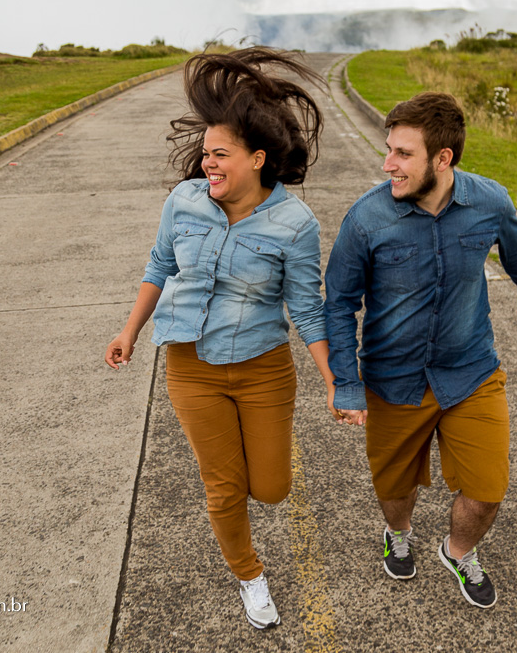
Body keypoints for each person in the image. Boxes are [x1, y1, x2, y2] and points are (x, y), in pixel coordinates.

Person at [105, 48, 335, 630]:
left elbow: (307, 308)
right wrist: (129, 331)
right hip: (190, 366)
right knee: (223, 486)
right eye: (205, 153)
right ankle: (249, 575)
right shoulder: (184, 203)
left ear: (257, 159)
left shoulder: (294, 224)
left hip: (263, 369)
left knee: (274, 488)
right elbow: (158, 265)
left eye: (220, 154)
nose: (207, 164)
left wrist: (338, 382)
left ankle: (257, 524)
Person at [323, 91, 517, 609]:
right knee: (394, 489)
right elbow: (338, 304)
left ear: (442, 159)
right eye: (388, 149)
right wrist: (346, 382)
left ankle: (458, 551)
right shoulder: (366, 219)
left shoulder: (489, 201)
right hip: (392, 380)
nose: (388, 164)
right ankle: (398, 534)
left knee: (488, 489)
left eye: (403, 154)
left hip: (470, 371)